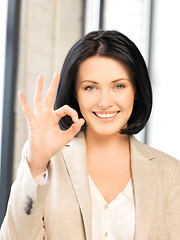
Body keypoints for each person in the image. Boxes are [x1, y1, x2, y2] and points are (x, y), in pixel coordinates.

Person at [0, 30, 180, 240]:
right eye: (90, 87)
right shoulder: (48, 164)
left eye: (119, 86)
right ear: (75, 93)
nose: (104, 102)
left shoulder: (170, 173)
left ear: (136, 90)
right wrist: (36, 163)